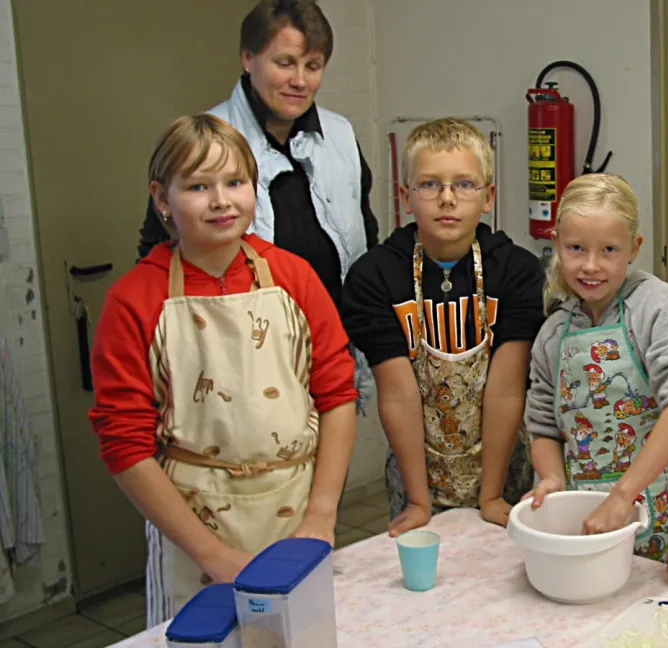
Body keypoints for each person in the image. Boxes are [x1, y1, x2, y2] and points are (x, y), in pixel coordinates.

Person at [90, 115, 358, 626]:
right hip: (193, 525)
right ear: (162, 198)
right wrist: (211, 554)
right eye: (198, 186)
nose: (221, 201)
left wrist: (321, 514)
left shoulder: (293, 277)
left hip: (297, 512)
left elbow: (337, 396)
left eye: (235, 183)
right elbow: (124, 443)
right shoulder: (134, 299)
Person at [340, 118, 544, 535]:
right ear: (405, 196)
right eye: (430, 185)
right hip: (416, 470)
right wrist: (418, 499)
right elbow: (398, 394)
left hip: (503, 470)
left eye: (464, 185)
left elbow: (506, 389)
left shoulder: (517, 271)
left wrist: (490, 495)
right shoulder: (374, 276)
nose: (447, 199)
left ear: (488, 197)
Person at [520, 174, 668, 567]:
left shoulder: (653, 306)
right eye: (576, 248)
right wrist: (552, 481)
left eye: (609, 249)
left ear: (634, 248)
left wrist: (622, 494)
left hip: (665, 513)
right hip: (586, 516)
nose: (591, 265)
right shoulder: (552, 332)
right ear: (557, 246)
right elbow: (543, 426)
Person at [137, 0, 378, 307]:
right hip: (244, 341)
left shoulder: (340, 134)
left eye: (313, 66)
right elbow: (155, 253)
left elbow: (367, 238)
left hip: (338, 340)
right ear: (248, 59)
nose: (300, 81)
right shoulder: (200, 142)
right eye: (285, 63)